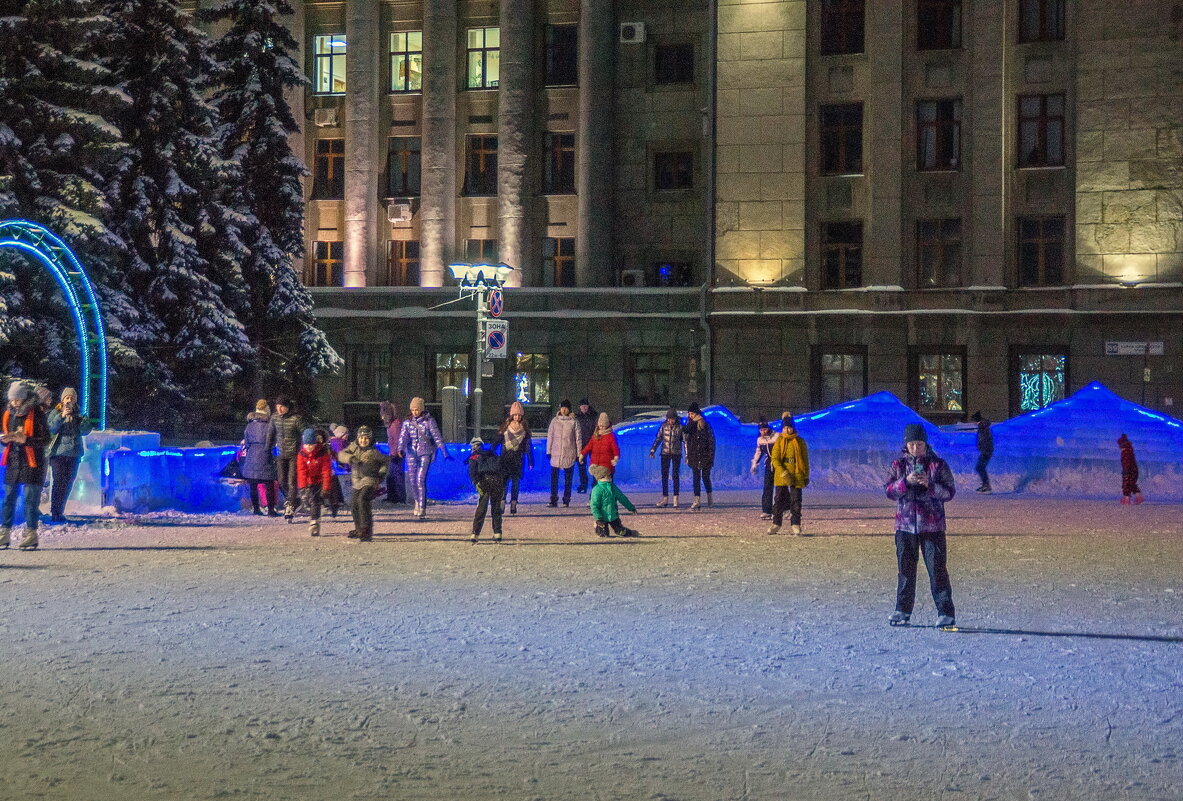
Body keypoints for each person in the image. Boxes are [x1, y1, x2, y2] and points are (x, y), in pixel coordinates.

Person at [885, 423, 957, 628]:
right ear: (906, 445)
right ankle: (902, 610)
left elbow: (950, 492)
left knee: (937, 569)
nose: (915, 448)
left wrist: (930, 486)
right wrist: (905, 482)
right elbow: (889, 491)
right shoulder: (898, 465)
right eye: (912, 444)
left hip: (932, 527)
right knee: (905, 570)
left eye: (919, 444)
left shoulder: (938, 465)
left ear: (925, 443)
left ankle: (945, 613)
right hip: (905, 527)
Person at [1, 381, 49, 549]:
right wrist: (6, 440)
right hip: (13, 460)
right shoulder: (8, 414)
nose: (14, 402)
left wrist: (26, 440)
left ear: (24, 397)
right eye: (12, 399)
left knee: (30, 499)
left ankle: (31, 533)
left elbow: (45, 440)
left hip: (32, 462)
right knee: (8, 498)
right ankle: (4, 532)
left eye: (17, 399)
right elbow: (8, 435)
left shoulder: (37, 413)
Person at [398, 396, 451, 519]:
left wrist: (444, 451)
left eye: (417, 409)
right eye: (412, 410)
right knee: (412, 480)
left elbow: (436, 436)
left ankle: (422, 506)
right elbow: (403, 437)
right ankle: (417, 501)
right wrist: (400, 448)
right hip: (411, 453)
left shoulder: (429, 421)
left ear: (421, 409)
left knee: (420, 480)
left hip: (424, 453)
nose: (414, 412)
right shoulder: (407, 423)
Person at [46, 387, 92, 524]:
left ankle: (61, 511)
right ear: (62, 399)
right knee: (58, 482)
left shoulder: (79, 414)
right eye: (67, 398)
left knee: (68, 483)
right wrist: (61, 416)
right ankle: (55, 512)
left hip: (74, 454)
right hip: (58, 453)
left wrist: (82, 421)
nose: (69, 400)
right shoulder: (56, 412)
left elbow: (85, 431)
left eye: (72, 398)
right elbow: (51, 428)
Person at [339, 425, 388, 541]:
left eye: (366, 438)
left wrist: (381, 473)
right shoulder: (353, 447)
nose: (363, 440)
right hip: (357, 480)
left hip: (370, 479)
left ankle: (366, 529)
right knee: (354, 504)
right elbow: (341, 455)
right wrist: (351, 458)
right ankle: (359, 528)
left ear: (370, 439)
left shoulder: (374, 452)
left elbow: (386, 461)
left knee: (362, 500)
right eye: (361, 438)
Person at [768, 413, 810, 535]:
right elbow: (775, 459)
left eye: (790, 427)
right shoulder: (779, 441)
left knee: (796, 500)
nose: (788, 429)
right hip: (782, 475)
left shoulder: (800, 441)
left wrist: (806, 475)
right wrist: (783, 472)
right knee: (779, 500)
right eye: (785, 427)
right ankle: (776, 523)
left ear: (793, 428)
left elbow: (805, 460)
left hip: (797, 473)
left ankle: (795, 524)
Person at [240, 400, 279, 516]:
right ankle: (271, 510)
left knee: (253, 485)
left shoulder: (249, 426)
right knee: (269, 484)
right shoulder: (270, 426)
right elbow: (273, 441)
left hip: (252, 456)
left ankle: (256, 509)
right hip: (265, 455)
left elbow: (246, 443)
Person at [269, 395, 304, 521]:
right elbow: (271, 434)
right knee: (281, 480)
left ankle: (290, 505)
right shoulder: (274, 418)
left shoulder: (296, 419)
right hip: (281, 454)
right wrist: (267, 449)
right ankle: (295, 500)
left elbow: (303, 432)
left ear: (287, 407)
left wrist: (304, 448)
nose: (279, 409)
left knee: (292, 480)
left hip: (294, 454)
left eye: (282, 407)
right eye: (277, 407)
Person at [296, 428, 333, 537]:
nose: (309, 447)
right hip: (308, 481)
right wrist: (302, 487)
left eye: (311, 444)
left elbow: (326, 471)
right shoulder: (301, 454)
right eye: (307, 445)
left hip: (319, 481)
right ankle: (314, 515)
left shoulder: (322, 453)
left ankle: (314, 521)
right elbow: (301, 471)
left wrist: (326, 487)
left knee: (315, 501)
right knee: (309, 501)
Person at [468, 436, 506, 543]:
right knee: (496, 508)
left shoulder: (474, 457)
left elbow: (472, 473)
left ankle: (475, 534)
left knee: (481, 508)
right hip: (497, 482)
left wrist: (477, 484)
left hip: (484, 482)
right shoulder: (492, 454)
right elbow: (501, 468)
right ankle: (497, 533)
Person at [498, 400, 533, 515]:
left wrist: (530, 460)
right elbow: (500, 442)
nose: (517, 417)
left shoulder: (525, 430)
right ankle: (502, 502)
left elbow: (528, 446)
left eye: (519, 415)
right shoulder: (506, 428)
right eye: (515, 414)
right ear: (511, 415)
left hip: (518, 459)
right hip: (506, 459)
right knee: (504, 482)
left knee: (516, 482)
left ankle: (513, 503)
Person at [588, 463, 640, 538]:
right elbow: (594, 506)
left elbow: (622, 498)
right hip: (602, 517)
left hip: (613, 516)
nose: (610, 476)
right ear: (602, 476)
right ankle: (597, 526)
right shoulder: (596, 490)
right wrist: (598, 518)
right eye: (608, 475)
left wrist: (631, 507)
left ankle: (631, 533)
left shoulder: (613, 487)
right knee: (603, 535)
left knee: (621, 532)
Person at [580, 412, 620, 507]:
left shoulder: (610, 436)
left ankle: (610, 501)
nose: (601, 427)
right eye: (600, 425)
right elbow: (589, 446)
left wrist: (616, 458)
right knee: (595, 485)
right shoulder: (595, 435)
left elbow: (615, 449)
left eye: (603, 425)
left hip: (607, 467)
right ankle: (593, 500)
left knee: (608, 485)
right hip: (596, 466)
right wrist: (582, 454)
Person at [546, 399, 581, 508]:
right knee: (554, 479)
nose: (564, 409)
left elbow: (578, 439)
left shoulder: (574, 422)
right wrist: (549, 451)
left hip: (569, 452)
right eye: (562, 407)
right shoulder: (554, 421)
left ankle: (566, 500)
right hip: (556, 453)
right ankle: (553, 499)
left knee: (568, 479)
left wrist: (578, 454)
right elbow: (550, 436)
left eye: (565, 407)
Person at [649, 407, 684, 508]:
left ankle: (676, 498)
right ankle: (665, 498)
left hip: (676, 453)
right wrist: (653, 450)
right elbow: (658, 438)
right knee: (664, 475)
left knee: (675, 475)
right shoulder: (664, 426)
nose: (670, 421)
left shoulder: (680, 427)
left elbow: (685, 441)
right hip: (665, 453)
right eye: (668, 419)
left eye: (672, 419)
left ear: (675, 418)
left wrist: (687, 455)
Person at [683, 402, 715, 510]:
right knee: (696, 478)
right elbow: (686, 432)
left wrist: (711, 456)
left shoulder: (705, 424)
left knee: (705, 477)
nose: (690, 415)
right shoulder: (690, 424)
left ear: (697, 414)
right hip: (694, 455)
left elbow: (711, 441)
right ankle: (696, 501)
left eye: (692, 413)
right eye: (689, 413)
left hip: (705, 455)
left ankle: (710, 499)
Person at [380, 401, 407, 505]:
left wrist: (395, 453)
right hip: (394, 453)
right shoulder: (392, 424)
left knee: (396, 475)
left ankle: (399, 498)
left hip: (397, 454)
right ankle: (392, 497)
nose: (382, 418)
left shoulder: (395, 425)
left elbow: (397, 440)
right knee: (392, 475)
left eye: (383, 415)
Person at [750, 417, 776, 519]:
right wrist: (755, 463)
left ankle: (784, 509)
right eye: (761, 430)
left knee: (780, 489)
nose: (763, 432)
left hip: (778, 465)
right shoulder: (760, 439)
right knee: (767, 488)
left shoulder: (776, 436)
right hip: (768, 465)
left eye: (764, 429)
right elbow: (759, 452)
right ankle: (766, 510)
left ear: (768, 428)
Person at [574, 398, 598, 493]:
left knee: (594, 464)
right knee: (581, 465)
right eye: (582, 405)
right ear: (579, 407)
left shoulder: (594, 416)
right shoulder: (577, 417)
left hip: (592, 444)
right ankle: (583, 484)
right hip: (581, 444)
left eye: (585, 405)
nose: (584, 407)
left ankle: (595, 482)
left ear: (588, 406)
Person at [326, 425, 348, 517]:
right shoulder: (340, 443)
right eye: (346, 434)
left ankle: (337, 501)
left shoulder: (331, 442)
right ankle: (337, 501)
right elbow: (342, 457)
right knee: (337, 482)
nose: (348, 435)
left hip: (333, 467)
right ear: (342, 434)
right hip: (339, 468)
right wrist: (347, 467)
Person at [1118, 433, 1144, 504]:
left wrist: (1126, 471)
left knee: (1127, 483)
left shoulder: (1126, 452)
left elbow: (1126, 463)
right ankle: (1137, 496)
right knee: (1131, 483)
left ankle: (1127, 497)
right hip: (1133, 470)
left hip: (1129, 470)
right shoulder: (1129, 451)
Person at [971, 410, 993, 493]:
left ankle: (986, 486)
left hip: (986, 451)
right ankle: (985, 485)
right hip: (985, 450)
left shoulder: (983, 428)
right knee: (980, 467)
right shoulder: (982, 427)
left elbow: (985, 440)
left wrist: (983, 449)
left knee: (980, 467)